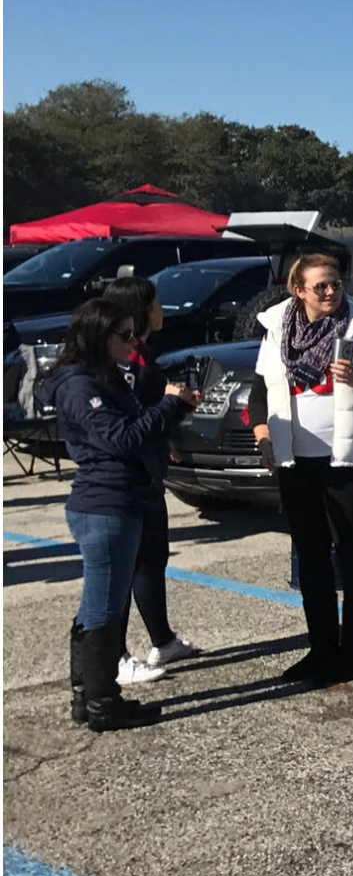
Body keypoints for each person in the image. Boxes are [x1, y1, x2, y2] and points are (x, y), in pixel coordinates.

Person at [44, 300, 199, 730]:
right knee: (105, 609)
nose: (133, 344)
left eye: (135, 334)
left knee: (98, 604)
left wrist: (176, 408)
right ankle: (103, 703)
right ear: (97, 336)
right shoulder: (79, 384)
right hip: (105, 503)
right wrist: (167, 406)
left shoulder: (106, 376)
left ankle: (87, 697)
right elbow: (119, 438)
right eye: (124, 336)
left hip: (119, 498)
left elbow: (134, 429)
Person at [251, 253, 353, 685]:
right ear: (299, 291)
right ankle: (321, 650)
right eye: (322, 286)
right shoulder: (277, 327)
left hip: (350, 458)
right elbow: (260, 394)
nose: (332, 291)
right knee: (311, 556)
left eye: (336, 283)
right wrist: (265, 441)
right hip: (296, 459)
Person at [100, 275, 202, 684]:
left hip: (147, 470)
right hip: (123, 479)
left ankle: (162, 639)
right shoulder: (123, 361)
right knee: (124, 567)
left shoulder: (140, 354)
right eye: (156, 304)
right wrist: (170, 407)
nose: (162, 310)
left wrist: (171, 422)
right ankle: (117, 655)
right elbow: (134, 417)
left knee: (152, 557)